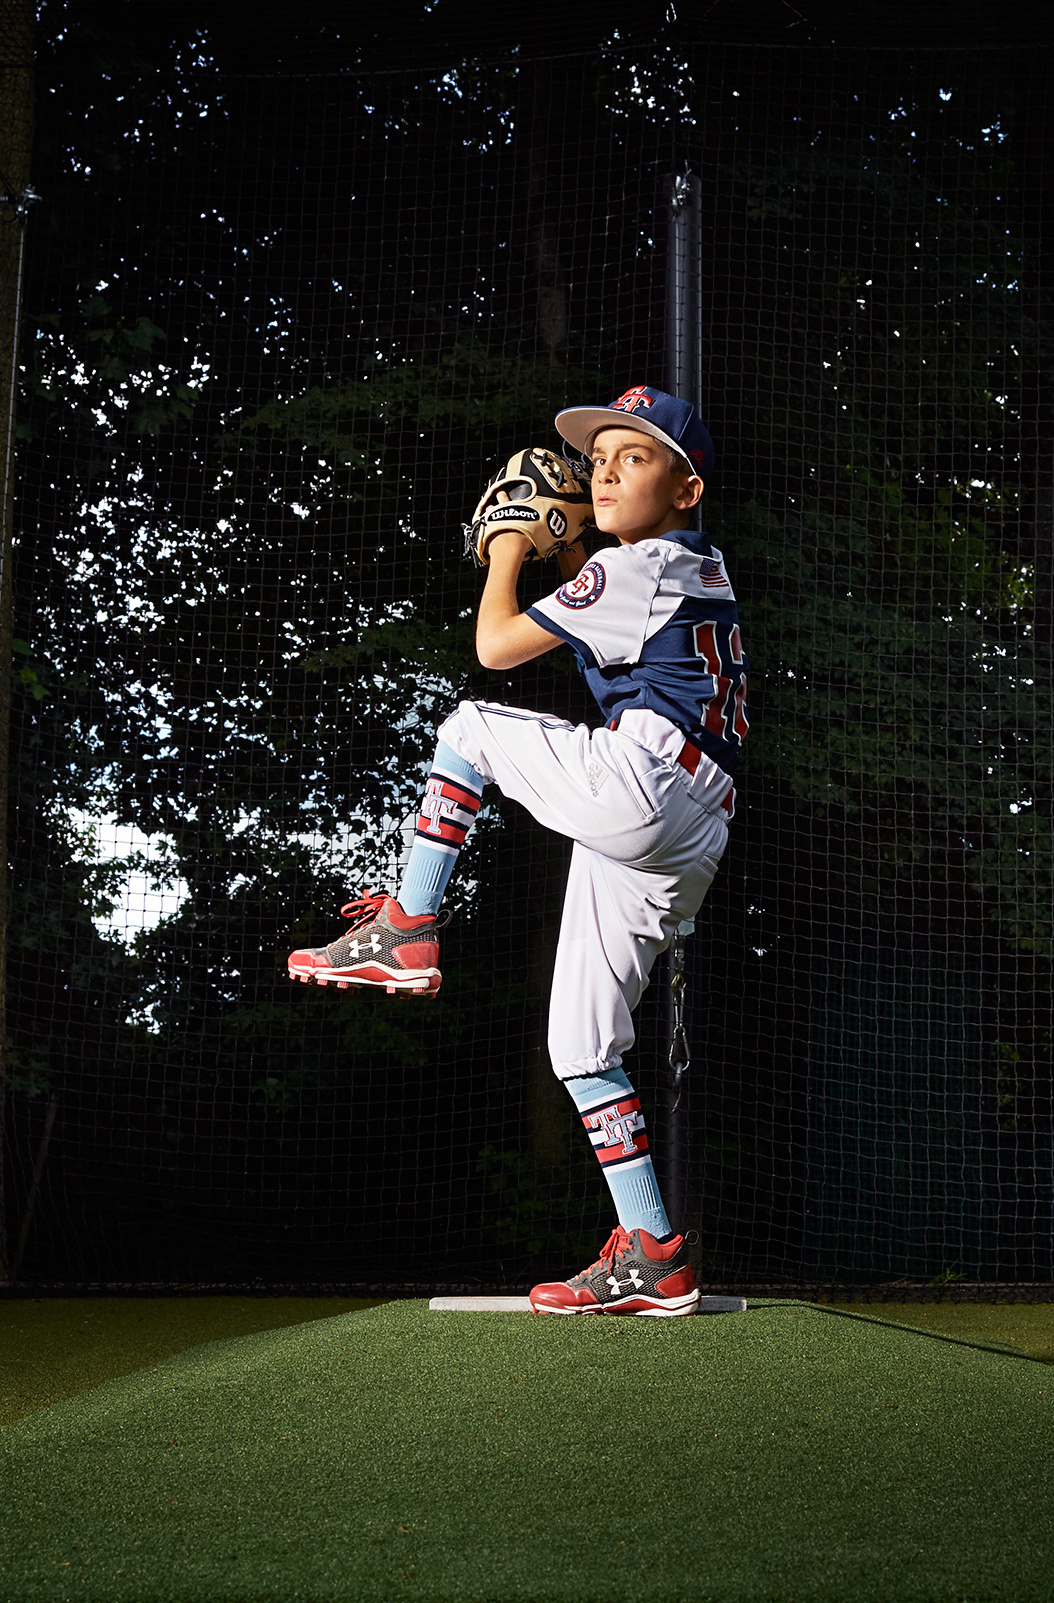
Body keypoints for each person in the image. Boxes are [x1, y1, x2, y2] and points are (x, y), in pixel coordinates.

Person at [287, 386, 746, 1316]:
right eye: (601, 457)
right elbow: (607, 624)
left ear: (687, 487)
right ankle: (655, 1254)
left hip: (646, 785)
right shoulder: (681, 568)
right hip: (688, 826)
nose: (608, 468)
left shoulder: (640, 567)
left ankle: (406, 926)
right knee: (581, 1047)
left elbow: (496, 644)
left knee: (469, 723)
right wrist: (572, 544)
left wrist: (505, 545)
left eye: (636, 456)